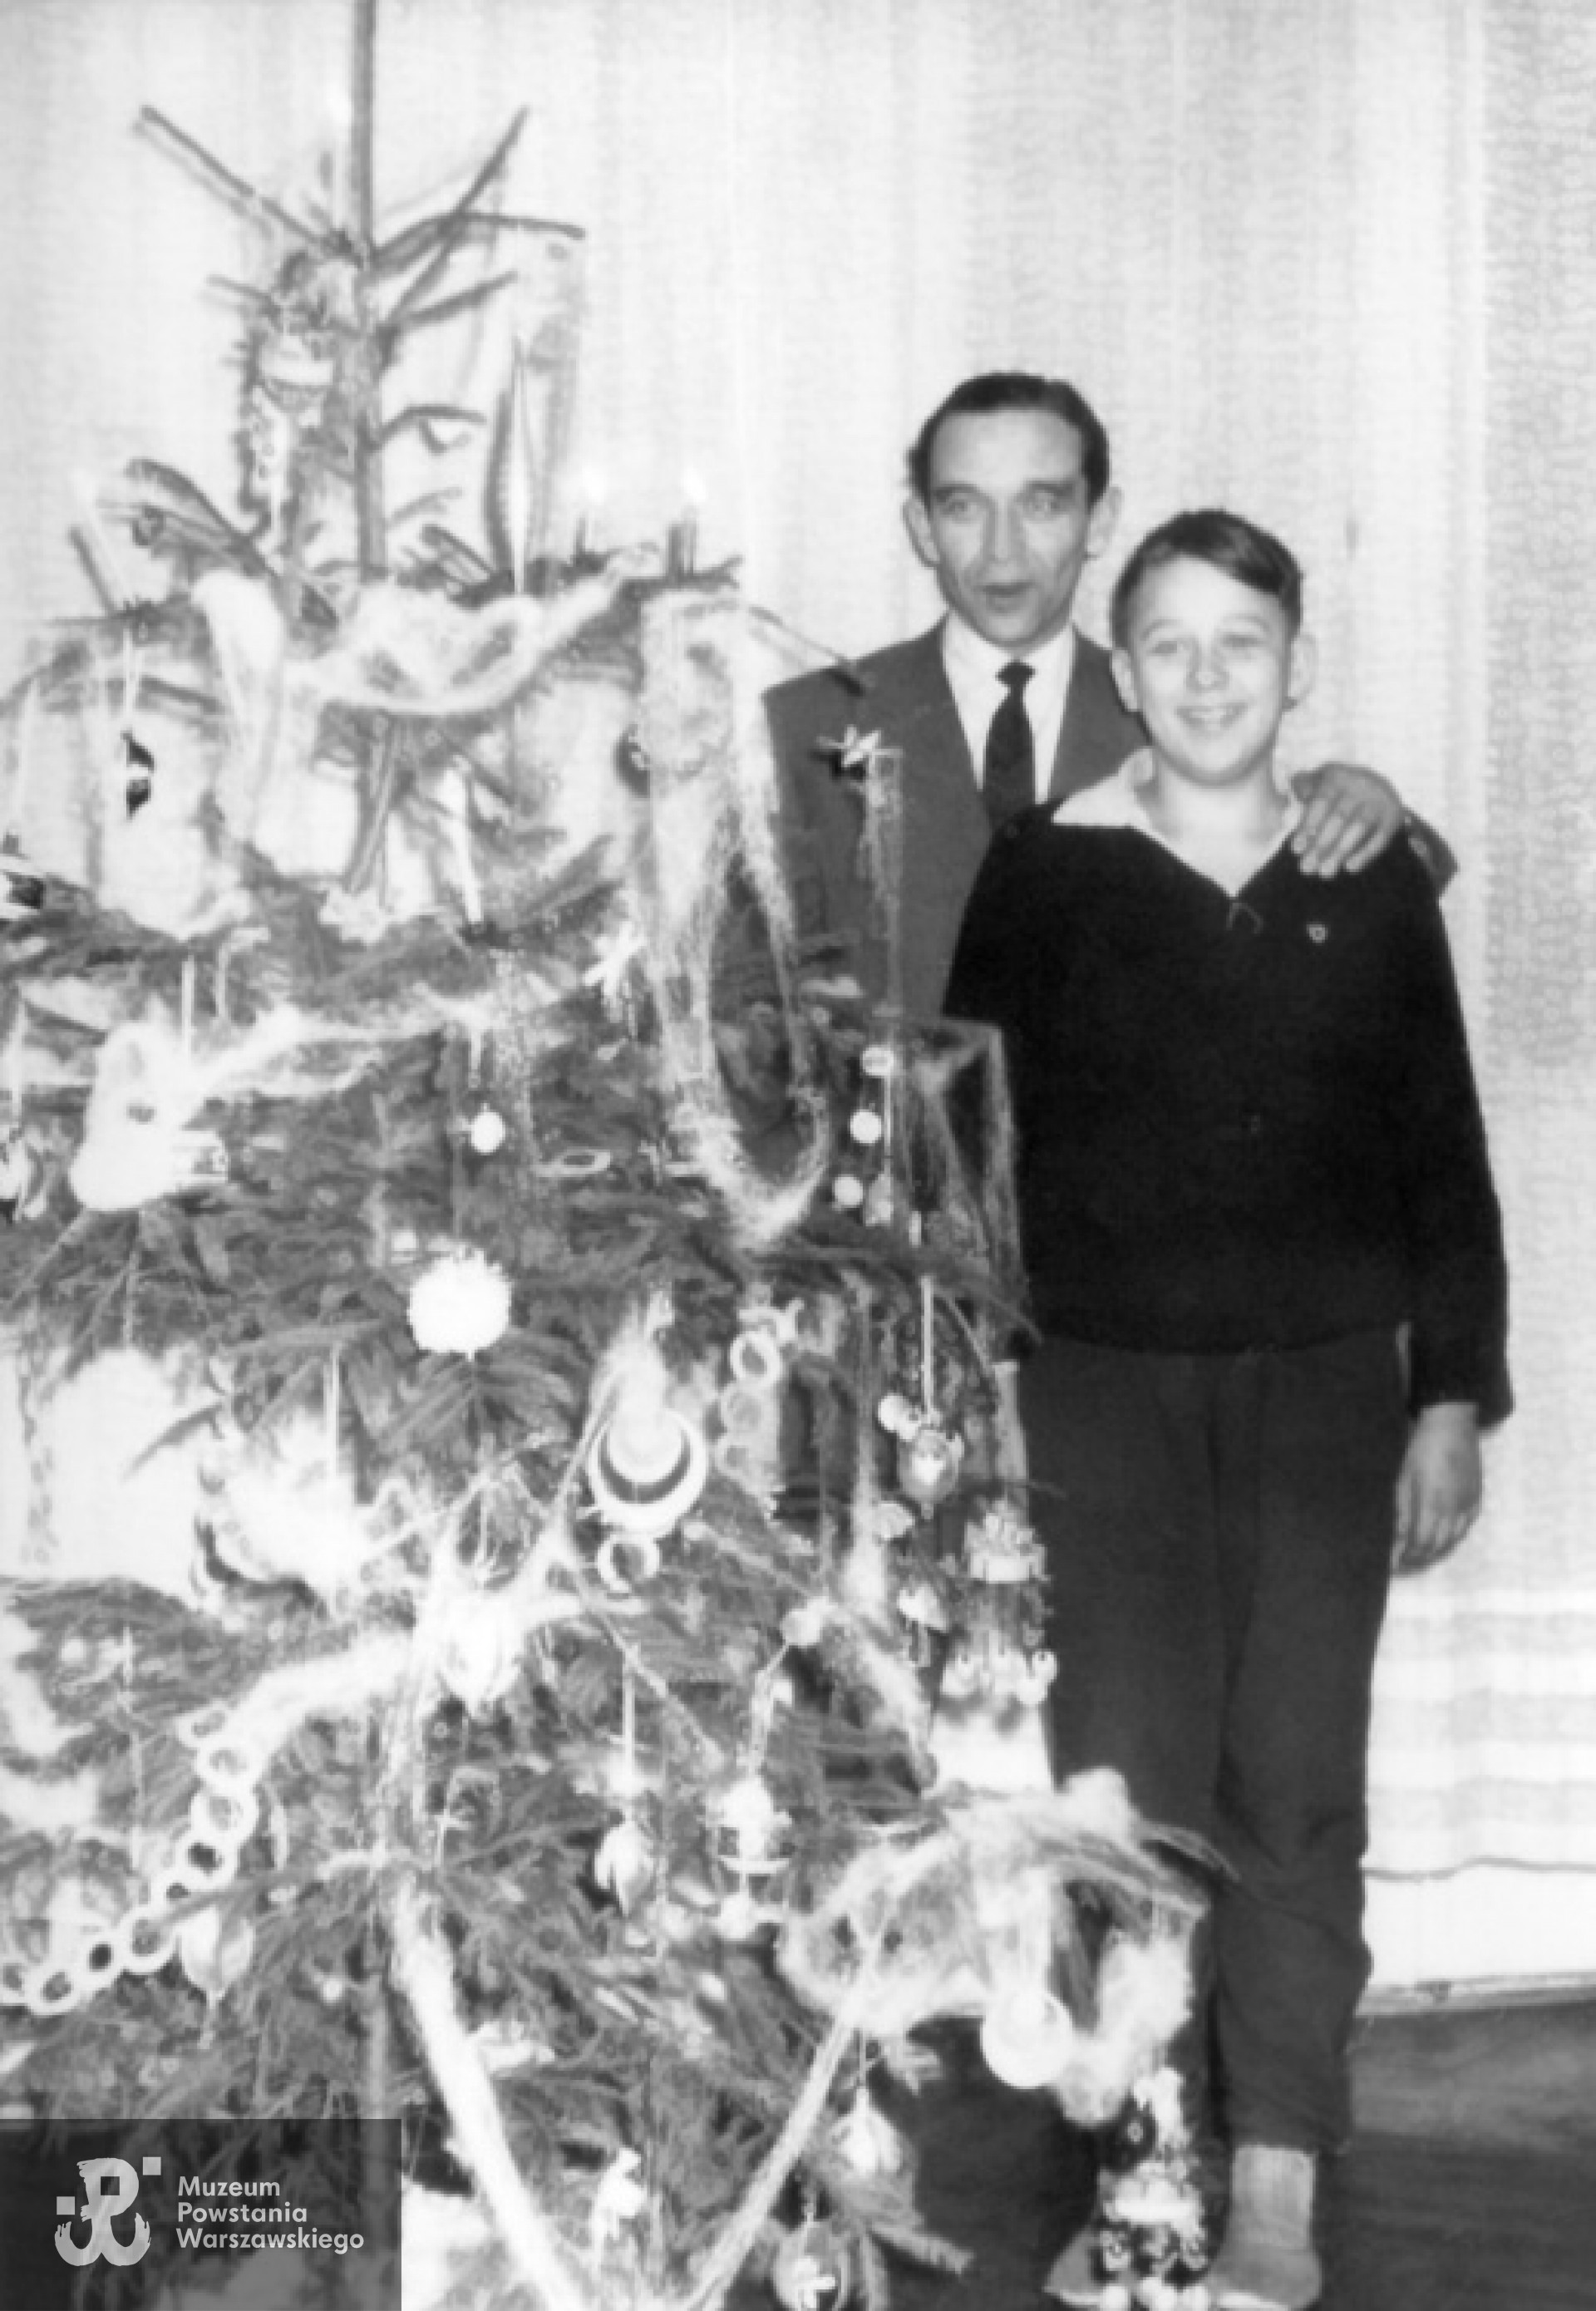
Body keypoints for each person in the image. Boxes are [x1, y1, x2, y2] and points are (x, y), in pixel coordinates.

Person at [942, 509, 1510, 2310]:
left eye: (1241, 643)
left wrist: (1450, 1396)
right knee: (1122, 1795)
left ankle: (1276, 2167)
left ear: (1296, 665)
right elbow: (970, 1156)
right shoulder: (1045, 874)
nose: (1205, 677)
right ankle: (1145, 2160)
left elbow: (1443, 1154)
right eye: (1169, 645)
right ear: (1123, 671)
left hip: (1325, 1397)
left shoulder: (1369, 874)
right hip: (1096, 1398)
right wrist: (982, 1394)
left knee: (1296, 1784)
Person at [764, 372, 1449, 1020]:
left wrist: (1353, 799)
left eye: (1041, 504)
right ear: (923, 527)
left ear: (1099, 520)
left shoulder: (1174, 708)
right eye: (964, 507)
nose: (1002, 551)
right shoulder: (806, 728)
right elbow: (743, 1002)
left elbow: (1326, 873)